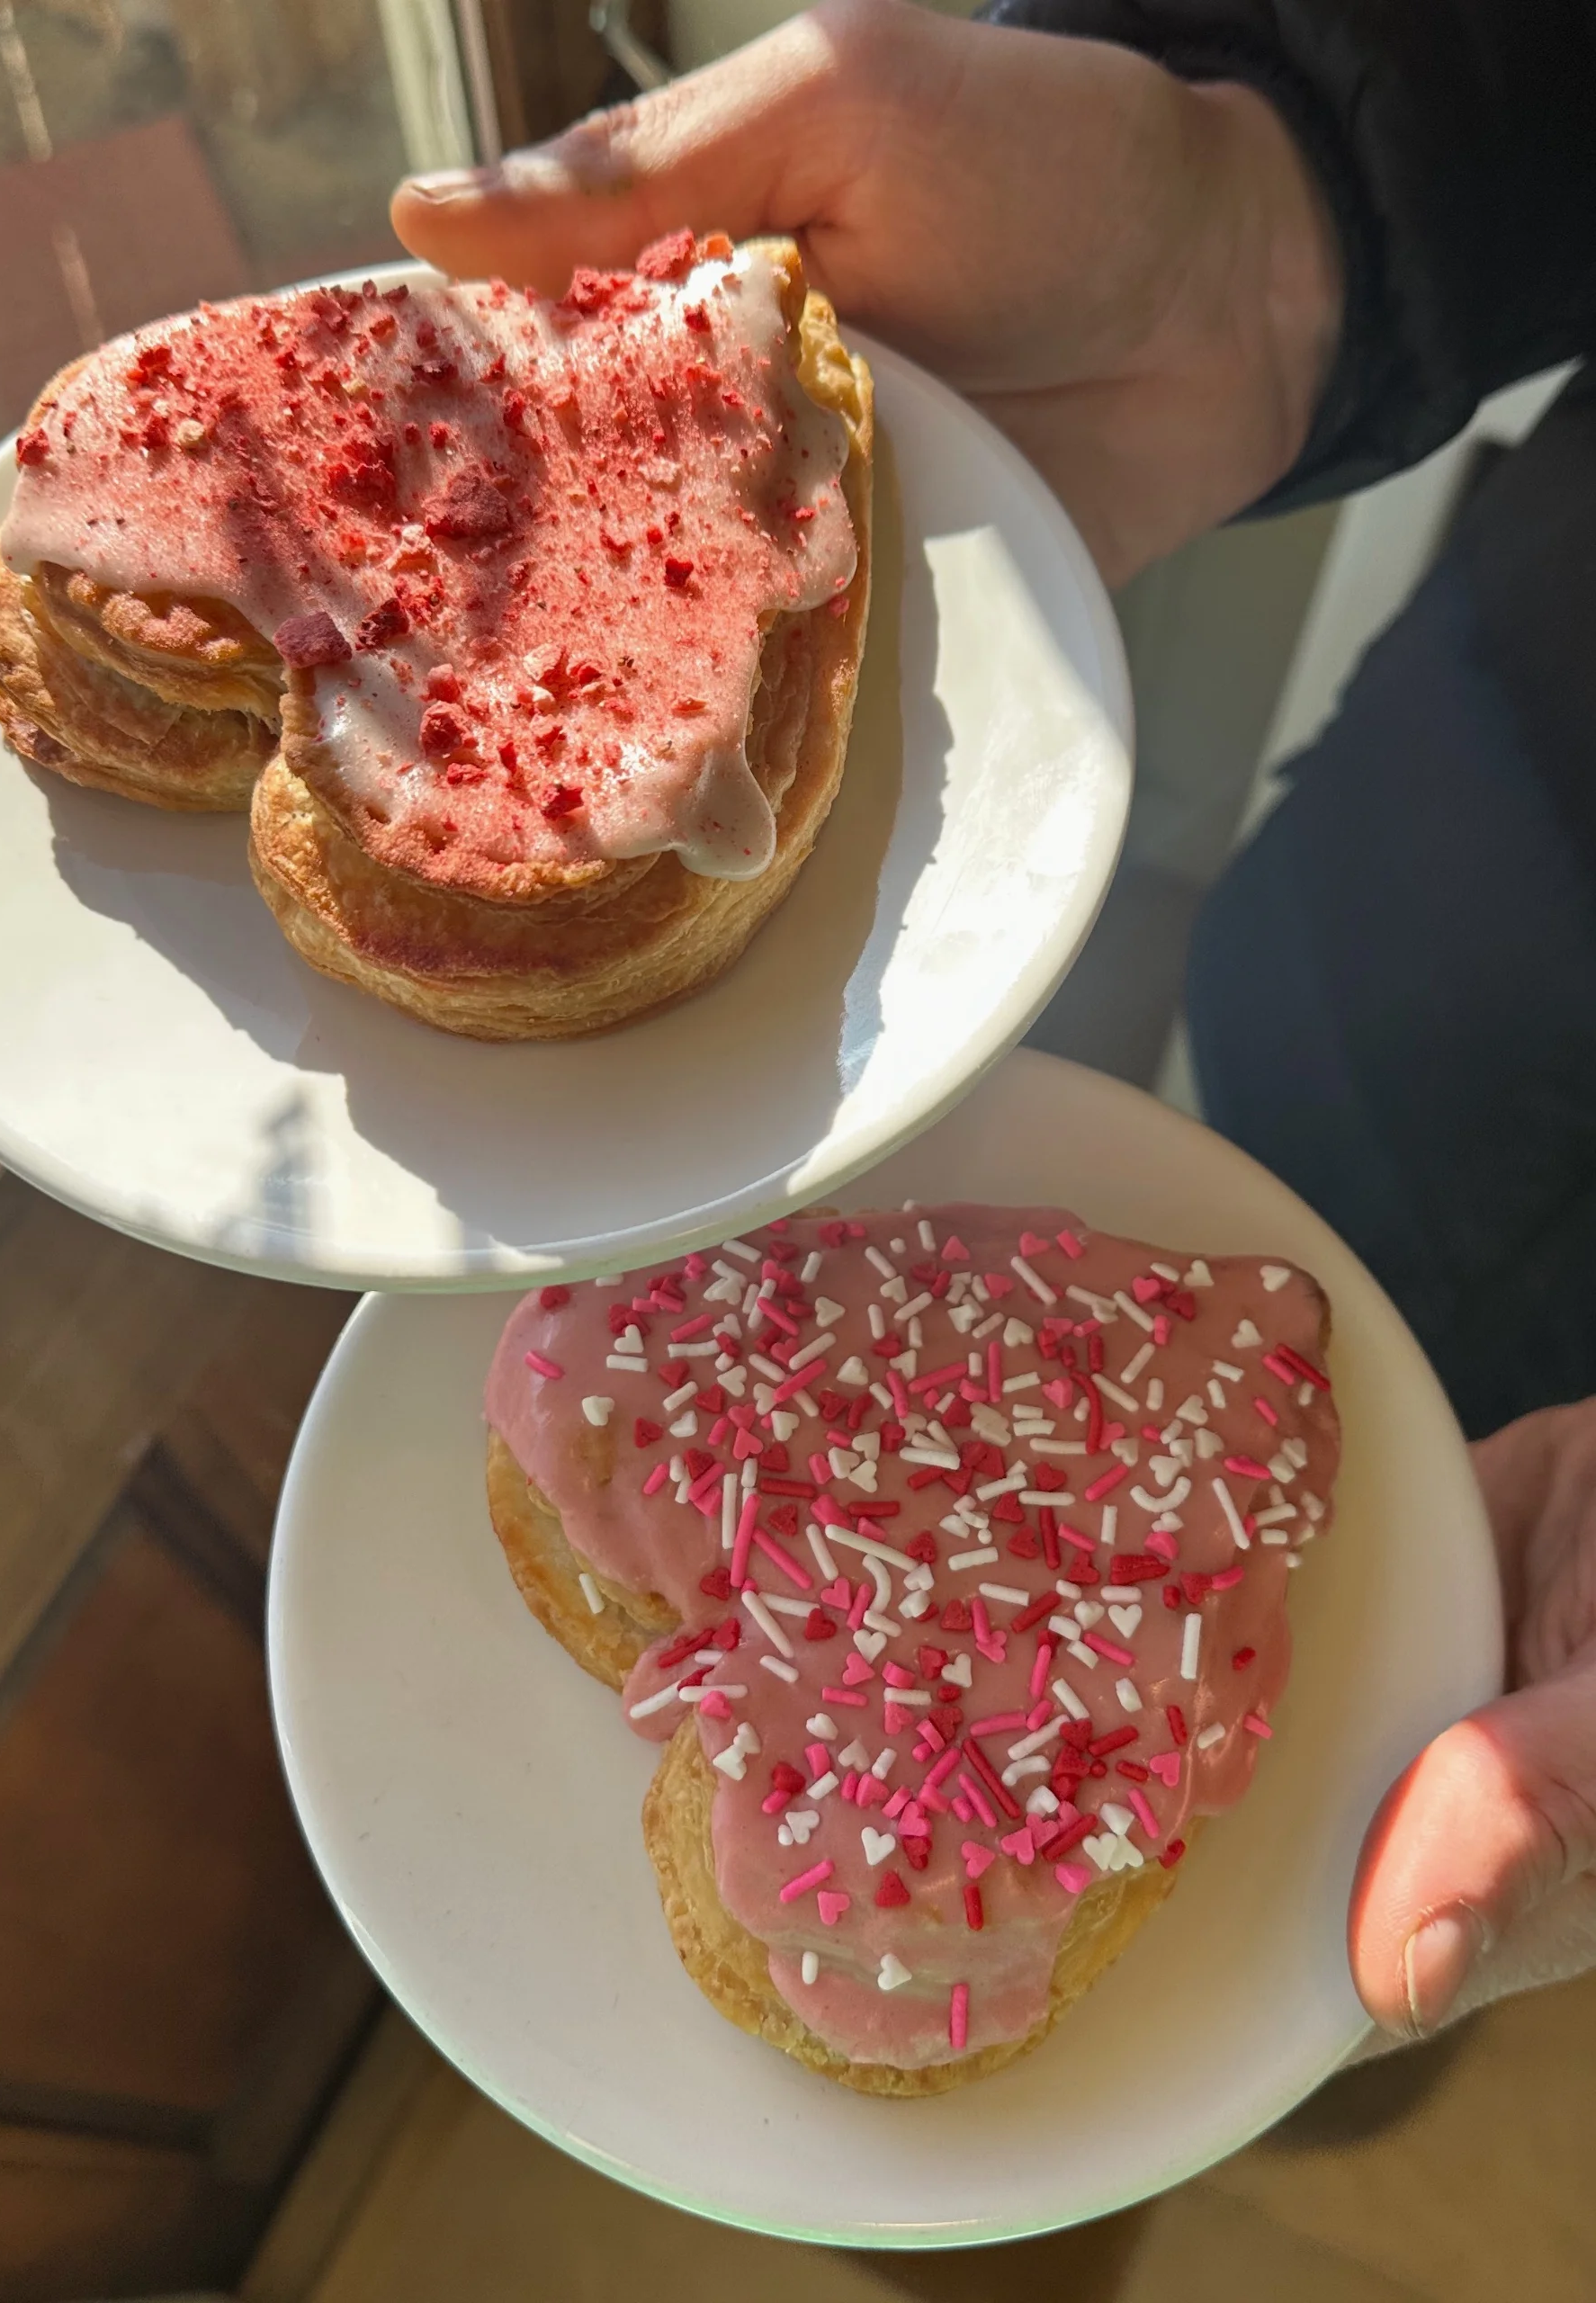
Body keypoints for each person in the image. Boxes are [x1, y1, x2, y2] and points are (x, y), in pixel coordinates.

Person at [386, 0, 1596, 2051]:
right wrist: (1283, 206)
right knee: (1300, 1060)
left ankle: (1299, 2086)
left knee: (1394, 1886)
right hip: (1519, 740)